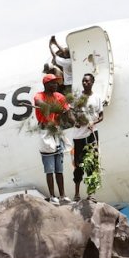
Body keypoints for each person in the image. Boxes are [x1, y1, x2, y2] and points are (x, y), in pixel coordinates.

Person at [34, 73, 71, 205]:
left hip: (56, 131)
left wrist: (67, 111)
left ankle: (63, 195)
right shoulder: (39, 96)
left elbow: (66, 110)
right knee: (49, 168)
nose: (55, 85)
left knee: (59, 168)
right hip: (46, 133)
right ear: (46, 85)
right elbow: (40, 104)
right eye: (52, 83)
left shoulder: (60, 96)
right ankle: (52, 196)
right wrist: (55, 108)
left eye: (56, 82)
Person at [70, 73, 103, 201]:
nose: (85, 83)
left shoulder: (97, 98)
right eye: (83, 81)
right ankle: (77, 194)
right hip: (79, 136)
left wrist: (93, 123)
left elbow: (101, 116)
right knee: (78, 164)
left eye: (87, 81)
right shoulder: (77, 97)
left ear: (92, 82)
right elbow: (70, 114)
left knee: (92, 163)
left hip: (92, 133)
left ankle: (91, 194)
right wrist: (76, 122)